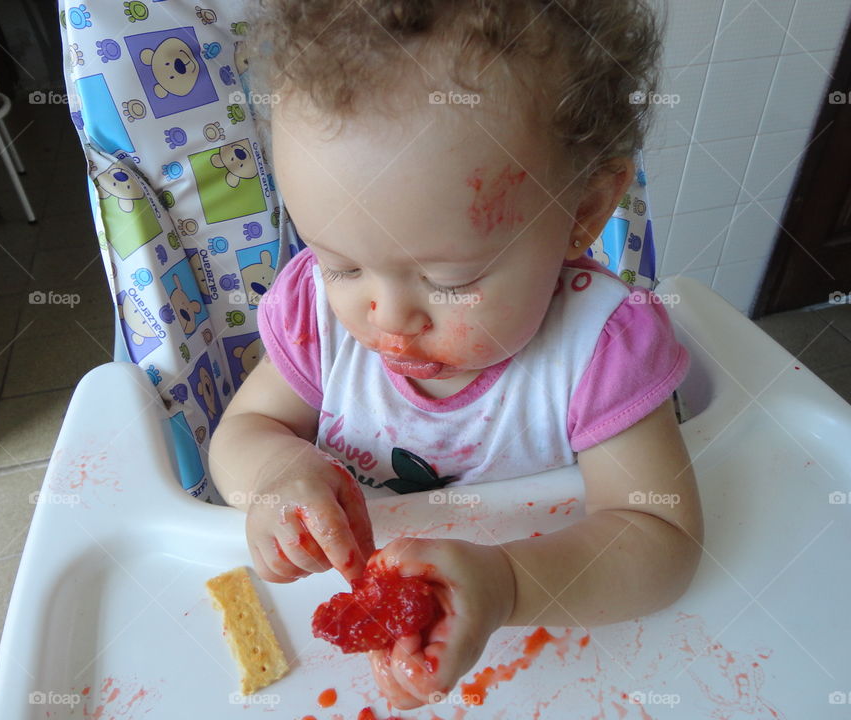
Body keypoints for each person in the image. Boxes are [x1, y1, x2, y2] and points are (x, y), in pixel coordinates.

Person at [209, 0, 703, 709]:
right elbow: (240, 433)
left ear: (584, 211)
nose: (387, 316)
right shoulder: (318, 320)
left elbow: (662, 543)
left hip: (558, 661)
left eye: (451, 281)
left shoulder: (602, 352)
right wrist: (278, 475)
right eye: (341, 264)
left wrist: (509, 585)